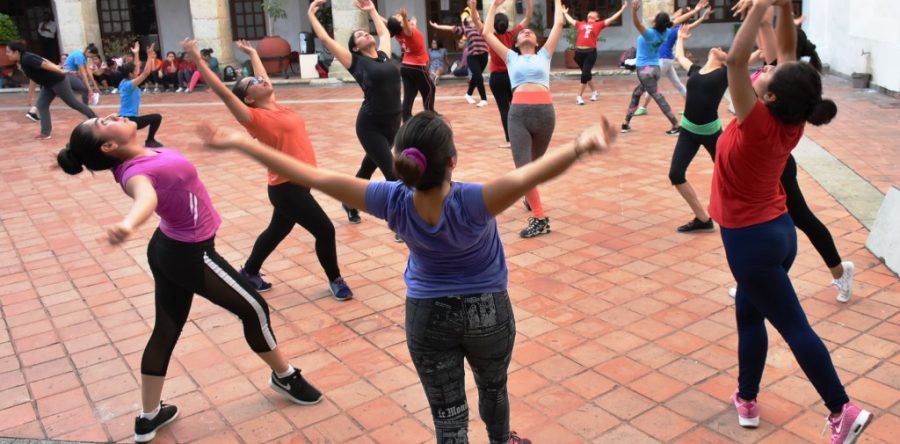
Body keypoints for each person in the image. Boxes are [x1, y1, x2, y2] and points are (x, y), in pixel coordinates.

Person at [196, 108, 616, 444]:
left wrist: (240, 143)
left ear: (403, 161)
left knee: (447, 412)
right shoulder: (475, 200)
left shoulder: (388, 199)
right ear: (452, 160)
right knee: (493, 389)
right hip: (488, 312)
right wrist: (582, 144)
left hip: (427, 317)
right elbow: (534, 173)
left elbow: (312, 176)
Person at [55, 115, 323, 444]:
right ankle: (285, 377)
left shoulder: (141, 150)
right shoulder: (135, 173)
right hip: (191, 254)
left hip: (168, 247)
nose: (112, 115)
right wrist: (128, 224)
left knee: (166, 329)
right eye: (102, 122)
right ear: (109, 146)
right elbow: (145, 198)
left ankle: (149, 416)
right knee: (254, 308)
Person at [713, 1, 871, 442]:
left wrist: (761, 5)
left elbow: (740, 60)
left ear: (769, 96)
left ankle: (842, 408)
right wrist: (781, 3)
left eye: (768, 75)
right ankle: (747, 397)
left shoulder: (757, 121)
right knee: (749, 316)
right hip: (778, 233)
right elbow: (784, 55)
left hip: (751, 243)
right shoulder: (792, 115)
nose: (763, 70)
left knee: (794, 327)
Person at [185, 37, 353, 298]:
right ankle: (336, 280)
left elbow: (264, 78)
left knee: (277, 230)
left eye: (257, 79)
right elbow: (223, 92)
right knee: (325, 229)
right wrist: (197, 60)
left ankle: (249, 272)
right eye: (251, 83)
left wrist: (254, 54)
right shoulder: (253, 117)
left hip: (299, 182)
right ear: (248, 100)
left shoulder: (273, 104)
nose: (259, 81)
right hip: (287, 188)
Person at [730, 5, 854, 302]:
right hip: (762, 160)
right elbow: (778, 42)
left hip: (774, 166)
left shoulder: (781, 89)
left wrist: (766, 8)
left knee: (797, 218)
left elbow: (768, 52)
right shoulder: (776, 76)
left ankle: (840, 271)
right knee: (769, 226)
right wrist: (778, 6)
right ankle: (756, 280)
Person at [309, 0, 402, 230]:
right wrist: (311, 14)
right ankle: (401, 223)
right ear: (354, 47)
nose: (365, 34)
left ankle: (350, 203)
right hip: (371, 126)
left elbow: (384, 32)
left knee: (367, 169)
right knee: (392, 174)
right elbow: (326, 40)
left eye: (364, 31)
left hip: (393, 124)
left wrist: (371, 10)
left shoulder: (383, 55)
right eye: (359, 35)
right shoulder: (355, 61)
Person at [482, 0, 565, 238]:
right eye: (522, 33)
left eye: (530, 32)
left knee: (534, 169)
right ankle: (540, 219)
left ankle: (531, 195)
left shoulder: (545, 55)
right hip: (518, 115)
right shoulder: (510, 58)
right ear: (516, 43)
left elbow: (558, 22)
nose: (526, 32)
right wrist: (494, 7)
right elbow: (487, 32)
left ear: (537, 42)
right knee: (524, 170)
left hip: (545, 115)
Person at [667, 25, 727, 233]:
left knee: (729, 174)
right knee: (675, 174)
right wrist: (681, 37)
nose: (718, 47)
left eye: (723, 49)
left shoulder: (725, 73)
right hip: (688, 131)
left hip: (712, 133)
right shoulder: (696, 70)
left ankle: (741, 215)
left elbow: (742, 58)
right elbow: (680, 56)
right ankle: (703, 219)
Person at [620, 0, 696, 134]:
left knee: (658, 97)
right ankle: (626, 123)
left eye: (655, 17)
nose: (652, 17)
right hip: (654, 69)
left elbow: (636, 23)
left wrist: (633, 11)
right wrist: (695, 11)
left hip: (645, 70)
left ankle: (676, 125)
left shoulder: (649, 34)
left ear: (655, 22)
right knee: (637, 93)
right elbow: (679, 20)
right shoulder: (665, 32)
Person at [6, 42, 96, 140]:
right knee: (41, 105)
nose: (7, 54)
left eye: (8, 52)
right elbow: (33, 77)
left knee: (73, 103)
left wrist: (60, 70)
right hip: (47, 84)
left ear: (16, 52)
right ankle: (45, 133)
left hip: (58, 81)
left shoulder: (27, 58)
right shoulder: (22, 61)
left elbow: (44, 63)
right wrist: (30, 96)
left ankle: (95, 120)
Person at [632, 2, 708, 116]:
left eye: (678, 11)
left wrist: (697, 12)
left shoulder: (675, 27)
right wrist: (697, 12)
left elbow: (687, 22)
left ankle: (643, 107)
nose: (676, 12)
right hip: (667, 60)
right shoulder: (670, 27)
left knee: (650, 84)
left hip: (663, 60)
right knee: (678, 84)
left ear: (680, 15)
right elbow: (685, 21)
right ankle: (690, 108)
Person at [478, 0, 532, 148]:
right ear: (507, 24)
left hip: (496, 79)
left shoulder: (491, 37)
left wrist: (474, 6)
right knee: (517, 107)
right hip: (512, 77)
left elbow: (478, 23)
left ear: (494, 25)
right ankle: (523, 135)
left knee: (504, 109)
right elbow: (527, 19)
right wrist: (529, 3)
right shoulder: (512, 35)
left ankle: (510, 140)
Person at [563, 1, 627, 105]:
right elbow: (571, 21)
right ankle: (595, 92)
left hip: (590, 53)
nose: (591, 13)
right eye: (590, 12)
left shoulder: (599, 24)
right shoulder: (581, 24)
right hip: (578, 54)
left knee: (584, 74)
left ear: (597, 18)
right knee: (586, 74)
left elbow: (612, 18)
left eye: (594, 13)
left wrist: (622, 9)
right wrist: (565, 13)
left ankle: (579, 96)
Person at [430, 0, 489, 107]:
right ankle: (484, 99)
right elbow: (450, 28)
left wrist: (473, 6)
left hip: (484, 54)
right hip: (472, 56)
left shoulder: (481, 26)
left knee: (476, 77)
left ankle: (468, 94)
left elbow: (476, 17)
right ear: (467, 22)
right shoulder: (466, 29)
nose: (471, 17)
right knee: (478, 76)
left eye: (473, 17)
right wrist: (438, 27)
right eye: (469, 18)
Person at [386, 7, 436, 122]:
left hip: (406, 66)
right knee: (429, 89)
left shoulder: (398, 33)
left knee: (410, 93)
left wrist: (372, 10)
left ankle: (406, 116)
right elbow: (408, 29)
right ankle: (430, 114)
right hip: (417, 66)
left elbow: (389, 23)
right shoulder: (406, 31)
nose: (397, 14)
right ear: (401, 23)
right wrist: (404, 16)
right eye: (397, 17)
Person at [118, 42, 164, 148]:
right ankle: (150, 140)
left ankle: (148, 141)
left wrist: (136, 53)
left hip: (124, 118)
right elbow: (146, 73)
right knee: (156, 118)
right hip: (129, 120)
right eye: (135, 71)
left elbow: (137, 68)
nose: (137, 71)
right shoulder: (130, 84)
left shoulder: (124, 82)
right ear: (130, 74)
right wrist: (149, 56)